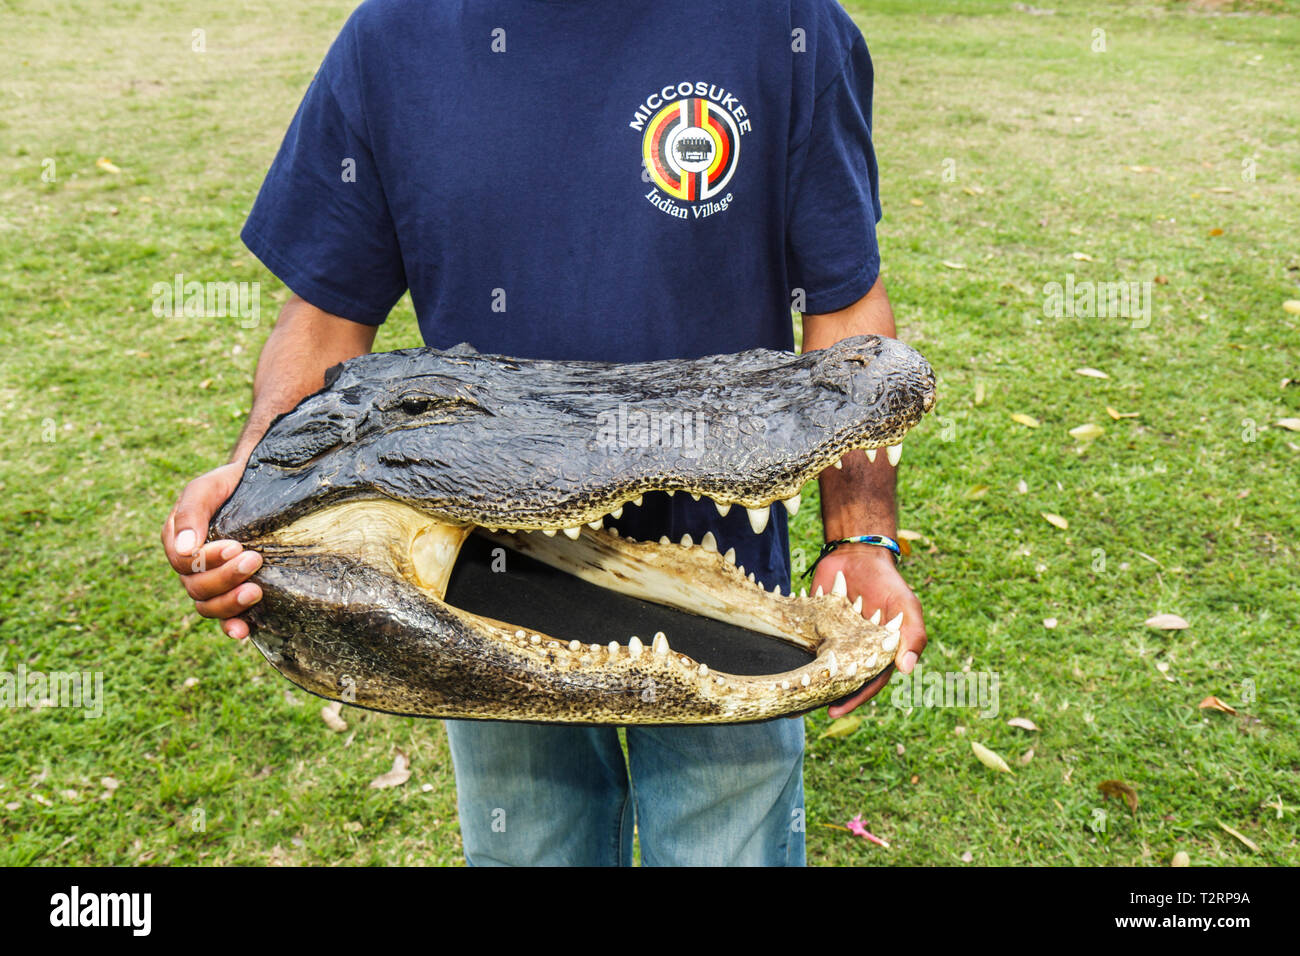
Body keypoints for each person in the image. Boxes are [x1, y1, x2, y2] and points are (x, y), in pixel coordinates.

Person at [161, 0, 927, 866]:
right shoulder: (392, 36)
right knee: (531, 849)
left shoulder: (786, 23)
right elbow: (329, 314)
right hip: (478, 577)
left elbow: (843, 300)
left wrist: (862, 535)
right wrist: (261, 490)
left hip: (728, 567)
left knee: (729, 848)